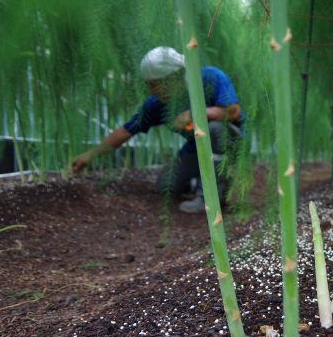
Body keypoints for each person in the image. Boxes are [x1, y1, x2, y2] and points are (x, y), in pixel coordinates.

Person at [71, 46, 243, 213]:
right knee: (165, 185)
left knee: (214, 129)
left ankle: (211, 199)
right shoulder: (157, 103)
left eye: (155, 84)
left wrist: (194, 114)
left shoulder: (209, 77)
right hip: (197, 149)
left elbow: (233, 111)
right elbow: (125, 131)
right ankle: (199, 181)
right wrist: (90, 155)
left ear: (174, 76)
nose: (151, 90)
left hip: (234, 145)